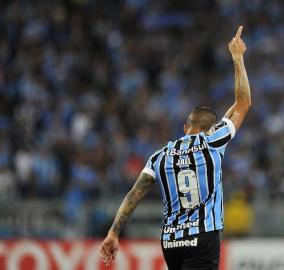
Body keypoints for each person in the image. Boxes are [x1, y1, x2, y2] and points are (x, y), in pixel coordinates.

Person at [100, 25, 251, 270]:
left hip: (171, 241)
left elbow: (133, 195)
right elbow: (243, 103)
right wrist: (237, 57)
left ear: (185, 127)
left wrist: (113, 232)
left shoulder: (159, 156)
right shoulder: (212, 143)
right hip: (202, 236)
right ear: (212, 129)